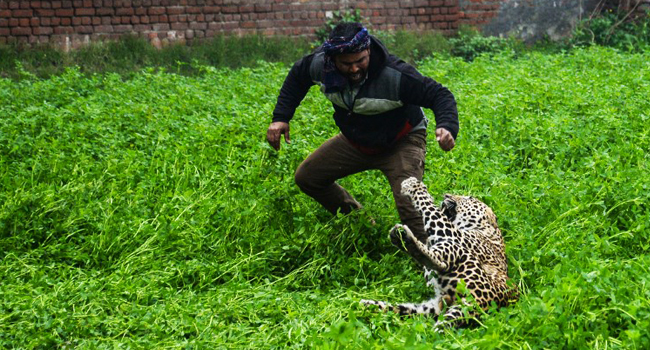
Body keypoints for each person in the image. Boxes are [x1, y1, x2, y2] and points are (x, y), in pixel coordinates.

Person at [266, 22, 459, 246]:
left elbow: (440, 94)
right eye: (346, 64)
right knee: (308, 177)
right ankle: (362, 222)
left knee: (409, 204)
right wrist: (281, 117)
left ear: (368, 51)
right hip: (355, 141)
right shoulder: (320, 66)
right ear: (332, 59)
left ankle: (439, 259)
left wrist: (446, 126)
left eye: (360, 61)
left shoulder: (395, 75)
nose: (355, 69)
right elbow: (297, 78)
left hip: (402, 141)